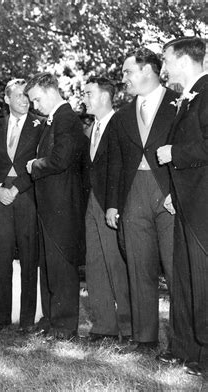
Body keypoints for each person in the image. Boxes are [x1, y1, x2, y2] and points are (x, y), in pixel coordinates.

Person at [105, 48, 179, 353]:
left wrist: (181, 191)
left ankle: (183, 344)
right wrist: (112, 203)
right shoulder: (122, 115)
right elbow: (115, 162)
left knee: (178, 270)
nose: (123, 78)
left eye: (127, 71)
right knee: (139, 266)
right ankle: (144, 338)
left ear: (148, 70)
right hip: (133, 194)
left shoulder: (180, 105)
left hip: (171, 194)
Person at [156, 36, 208, 377]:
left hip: (204, 207)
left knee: (203, 284)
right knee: (187, 281)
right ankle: (189, 352)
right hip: (187, 202)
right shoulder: (188, 99)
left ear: (185, 62)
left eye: (167, 60)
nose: (164, 68)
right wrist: (175, 190)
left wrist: (173, 153)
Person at [25, 72, 87, 339]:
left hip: (62, 205)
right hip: (51, 205)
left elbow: (61, 159)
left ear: (51, 91)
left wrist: (33, 165)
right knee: (50, 265)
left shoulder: (66, 119)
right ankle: (51, 319)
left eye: (37, 99)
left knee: (62, 266)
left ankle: (64, 326)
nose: (35, 106)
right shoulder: (54, 121)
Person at [0, 79, 43, 333]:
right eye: (18, 95)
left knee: (29, 257)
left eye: (26, 95)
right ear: (6, 99)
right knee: (2, 257)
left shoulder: (40, 125)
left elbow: (41, 161)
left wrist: (16, 188)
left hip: (26, 194)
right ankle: (0, 319)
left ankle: (28, 320)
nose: (23, 100)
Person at [82, 77, 131, 342]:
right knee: (95, 264)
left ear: (104, 96)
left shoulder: (120, 123)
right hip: (90, 203)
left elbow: (120, 168)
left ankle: (129, 327)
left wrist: (113, 205)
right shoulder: (90, 129)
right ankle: (103, 326)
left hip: (110, 204)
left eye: (88, 93)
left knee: (116, 264)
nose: (84, 98)